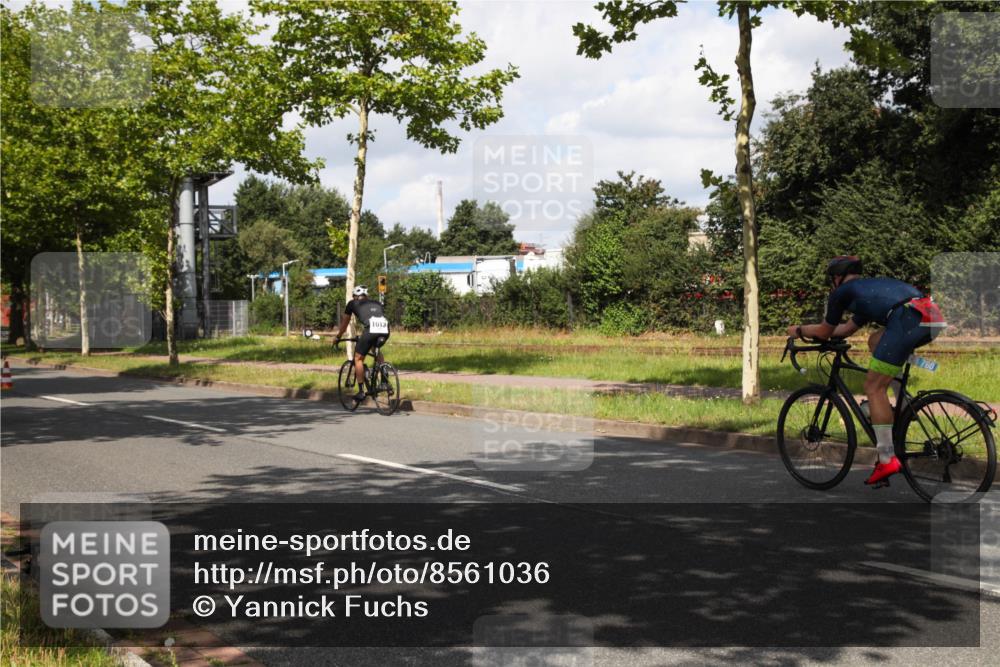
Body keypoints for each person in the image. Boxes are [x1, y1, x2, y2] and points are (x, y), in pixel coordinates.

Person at [787, 256, 945, 487]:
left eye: (832, 279)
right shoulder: (868, 291)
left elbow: (824, 331)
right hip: (929, 315)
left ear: (837, 278)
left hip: (906, 320)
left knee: (873, 387)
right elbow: (845, 330)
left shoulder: (842, 293)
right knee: (874, 341)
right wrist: (828, 334)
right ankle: (902, 406)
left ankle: (886, 458)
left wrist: (799, 330)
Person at [334, 285, 391, 402]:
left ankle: (361, 392)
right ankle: (385, 379)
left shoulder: (352, 303)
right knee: (375, 349)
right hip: (385, 330)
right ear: (366, 295)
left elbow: (344, 324)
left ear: (355, 296)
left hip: (371, 330)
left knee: (358, 359)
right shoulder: (377, 303)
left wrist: (338, 337)